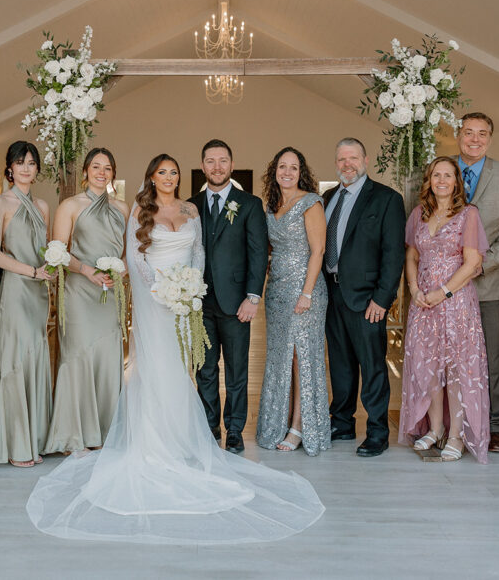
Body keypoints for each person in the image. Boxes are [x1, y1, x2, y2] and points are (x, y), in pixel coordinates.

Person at [26, 154, 324, 544]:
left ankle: (185, 437)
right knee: (156, 363)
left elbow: (198, 250)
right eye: (162, 172)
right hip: (154, 299)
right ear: (151, 177)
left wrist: (189, 286)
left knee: (181, 366)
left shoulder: (190, 209)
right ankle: (151, 441)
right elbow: (134, 254)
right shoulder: (139, 208)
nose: (168, 177)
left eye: (174, 172)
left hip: (184, 297)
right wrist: (157, 289)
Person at [399, 157, 490, 463]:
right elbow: (411, 256)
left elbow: (473, 262)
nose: (441, 180)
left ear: (456, 182)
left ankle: (457, 435)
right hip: (423, 302)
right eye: (436, 175)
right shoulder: (418, 215)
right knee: (428, 369)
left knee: (454, 369)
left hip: (455, 302)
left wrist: (444, 292)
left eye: (447, 175)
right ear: (429, 181)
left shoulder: (468, 214)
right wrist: (414, 290)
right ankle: (435, 428)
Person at [323, 138, 406, 457]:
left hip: (368, 299)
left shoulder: (386, 199)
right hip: (331, 293)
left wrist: (382, 299)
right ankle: (342, 422)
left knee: (372, 366)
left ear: (365, 160)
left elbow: (393, 254)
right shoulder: (328, 197)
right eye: (342, 159)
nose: (347, 164)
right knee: (340, 365)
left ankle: (377, 430)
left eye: (353, 158)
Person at [44, 148, 128, 454]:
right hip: (79, 292)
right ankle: (73, 434)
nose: (101, 172)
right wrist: (86, 270)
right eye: (96, 166)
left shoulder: (123, 208)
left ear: (113, 173)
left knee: (107, 358)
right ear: (85, 171)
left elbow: (128, 252)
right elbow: (57, 253)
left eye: (108, 167)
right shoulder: (70, 205)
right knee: (78, 356)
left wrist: (120, 270)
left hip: (110, 293)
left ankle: (106, 431)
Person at [0, 142, 53, 467]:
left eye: (31, 163)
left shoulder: (43, 206)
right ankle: (14, 443)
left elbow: (46, 250)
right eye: (20, 162)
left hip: (39, 294)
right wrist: (32, 271)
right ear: (9, 167)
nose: (26, 168)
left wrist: (50, 269)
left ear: (37, 169)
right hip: (15, 290)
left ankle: (34, 437)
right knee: (15, 361)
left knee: (35, 359)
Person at [190, 139, 267, 453]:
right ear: (203, 165)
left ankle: (234, 430)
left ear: (231, 165)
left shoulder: (248, 203)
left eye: (223, 161)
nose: (217, 167)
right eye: (210, 161)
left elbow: (258, 252)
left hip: (237, 302)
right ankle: (209, 427)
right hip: (199, 302)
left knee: (237, 370)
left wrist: (252, 297)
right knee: (205, 369)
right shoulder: (190, 205)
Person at [256, 147, 331, 456]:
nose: (287, 172)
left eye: (294, 167)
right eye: (282, 166)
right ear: (274, 171)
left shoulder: (311, 203)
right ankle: (280, 421)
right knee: (280, 358)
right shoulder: (272, 206)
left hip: (305, 290)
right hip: (276, 292)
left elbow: (318, 251)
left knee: (302, 357)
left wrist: (306, 293)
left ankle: (300, 427)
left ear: (302, 173)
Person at [455, 112, 499, 453]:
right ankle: (451, 423)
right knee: (447, 357)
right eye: (469, 132)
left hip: (489, 284)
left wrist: (482, 264)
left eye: (482, 133)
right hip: (445, 287)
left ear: (490, 138)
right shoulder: (440, 171)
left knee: (492, 358)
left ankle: (495, 427)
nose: (475, 139)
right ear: (458, 135)